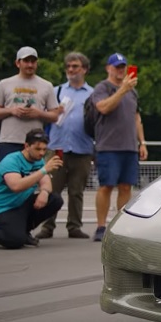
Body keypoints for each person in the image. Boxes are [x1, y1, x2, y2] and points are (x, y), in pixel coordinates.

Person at [0, 129, 64, 249]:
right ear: (27, 146)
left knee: (55, 199)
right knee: (15, 241)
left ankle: (24, 231)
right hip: (3, 208)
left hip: (22, 203)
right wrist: (44, 170)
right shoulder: (11, 161)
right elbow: (16, 186)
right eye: (38, 149)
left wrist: (44, 192)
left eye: (44, 149)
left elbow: (46, 182)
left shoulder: (38, 160)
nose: (41, 153)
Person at [34, 52, 95, 240]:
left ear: (84, 69)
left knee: (77, 191)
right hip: (56, 146)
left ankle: (74, 226)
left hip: (82, 147)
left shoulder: (92, 93)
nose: (70, 69)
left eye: (75, 66)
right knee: (51, 188)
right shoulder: (56, 91)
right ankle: (47, 226)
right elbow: (44, 114)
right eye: (68, 66)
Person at [90, 53, 147, 242]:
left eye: (123, 67)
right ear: (108, 68)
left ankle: (120, 226)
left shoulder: (132, 91)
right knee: (106, 186)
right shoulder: (102, 87)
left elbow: (137, 118)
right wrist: (122, 89)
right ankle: (100, 226)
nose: (120, 70)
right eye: (116, 67)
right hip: (108, 146)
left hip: (129, 146)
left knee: (126, 187)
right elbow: (103, 107)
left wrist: (142, 142)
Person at [0, 46, 62, 161]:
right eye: (26, 61)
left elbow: (55, 116)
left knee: (34, 177)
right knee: (9, 176)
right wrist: (12, 111)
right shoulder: (4, 84)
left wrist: (38, 113)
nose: (30, 65)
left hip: (36, 143)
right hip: (10, 140)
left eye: (33, 61)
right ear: (18, 63)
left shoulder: (46, 85)